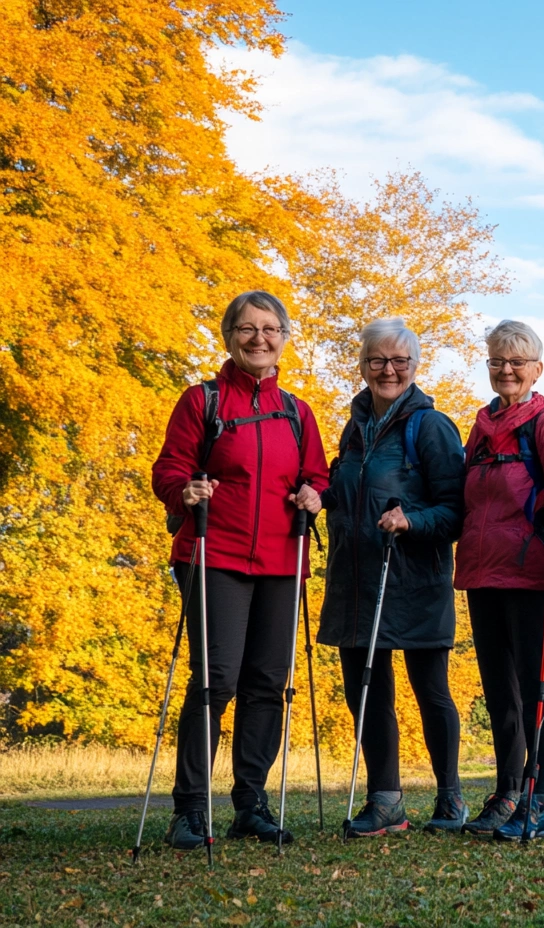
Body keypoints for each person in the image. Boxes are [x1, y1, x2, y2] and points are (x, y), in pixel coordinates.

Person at [152, 290, 329, 849]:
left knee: (267, 685)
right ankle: (190, 809)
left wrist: (313, 495)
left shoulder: (298, 411)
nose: (259, 338)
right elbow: (169, 468)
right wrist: (187, 489)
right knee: (215, 680)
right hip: (214, 555)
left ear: (284, 338)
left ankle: (250, 802)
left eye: (270, 329)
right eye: (248, 329)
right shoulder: (202, 400)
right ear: (230, 335)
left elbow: (319, 476)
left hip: (282, 559)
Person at [317, 317, 467, 838]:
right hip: (356, 579)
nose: (388, 370)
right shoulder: (354, 427)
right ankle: (385, 802)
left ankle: (450, 798)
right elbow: (347, 490)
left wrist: (411, 521)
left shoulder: (432, 427)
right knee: (366, 691)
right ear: (361, 366)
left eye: (399, 361)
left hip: (415, 578)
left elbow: (456, 512)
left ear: (414, 367)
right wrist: (321, 497)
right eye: (377, 360)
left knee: (431, 690)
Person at [454, 320, 544, 840]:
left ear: (537, 369)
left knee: (538, 688)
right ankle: (506, 790)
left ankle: (537, 800)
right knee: (499, 691)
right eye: (497, 360)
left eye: (517, 362)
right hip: (481, 570)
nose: (506, 369)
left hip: (535, 572)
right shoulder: (480, 425)